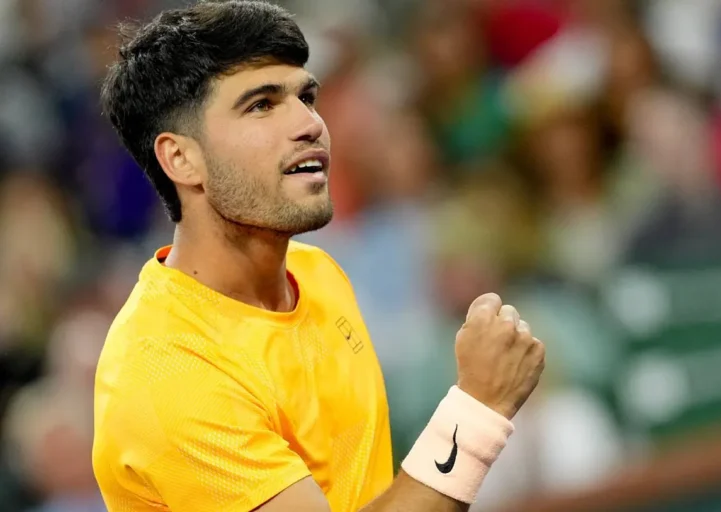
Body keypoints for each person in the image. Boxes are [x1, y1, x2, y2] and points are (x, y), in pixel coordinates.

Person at [91, 2, 546, 512]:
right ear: (181, 158)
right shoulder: (166, 374)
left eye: (306, 97)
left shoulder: (317, 271)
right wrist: (478, 409)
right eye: (261, 105)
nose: (309, 124)